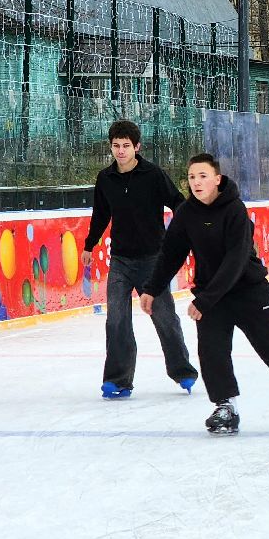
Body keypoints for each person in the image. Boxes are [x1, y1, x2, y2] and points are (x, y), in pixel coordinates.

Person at [140, 154, 269, 435]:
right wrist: (152, 289)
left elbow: (236, 260)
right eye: (192, 177)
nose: (196, 182)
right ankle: (225, 407)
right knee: (212, 352)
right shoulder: (187, 214)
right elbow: (171, 254)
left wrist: (205, 299)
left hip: (249, 292)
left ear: (217, 179)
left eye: (203, 176)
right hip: (212, 296)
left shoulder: (234, 210)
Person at [82, 120, 198, 400]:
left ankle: (183, 371)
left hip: (153, 260)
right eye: (116, 146)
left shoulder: (153, 175)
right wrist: (89, 245)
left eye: (126, 146)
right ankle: (118, 379)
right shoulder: (105, 178)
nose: (120, 151)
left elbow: (177, 202)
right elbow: (101, 215)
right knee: (116, 321)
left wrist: (191, 232)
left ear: (137, 147)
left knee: (164, 317)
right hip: (120, 260)